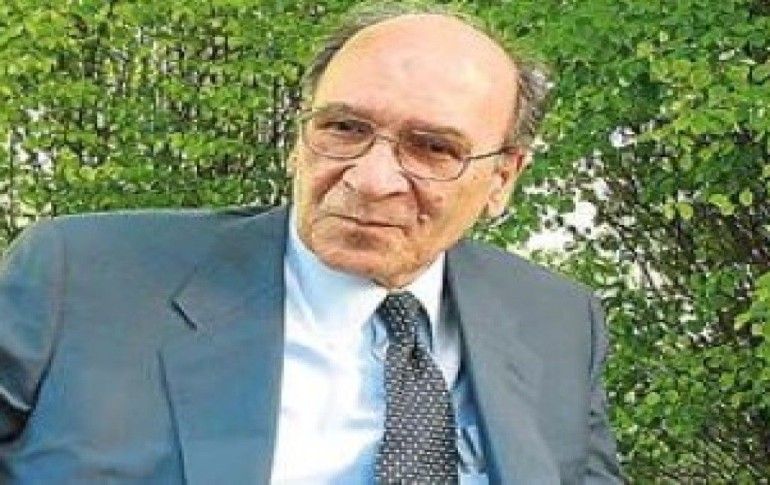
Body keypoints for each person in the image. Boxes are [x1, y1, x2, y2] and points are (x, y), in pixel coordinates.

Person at [0, 3, 622, 484]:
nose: (371, 179)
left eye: (433, 148)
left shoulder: (557, 323)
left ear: (503, 179)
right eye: (345, 128)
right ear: (300, 139)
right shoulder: (85, 279)